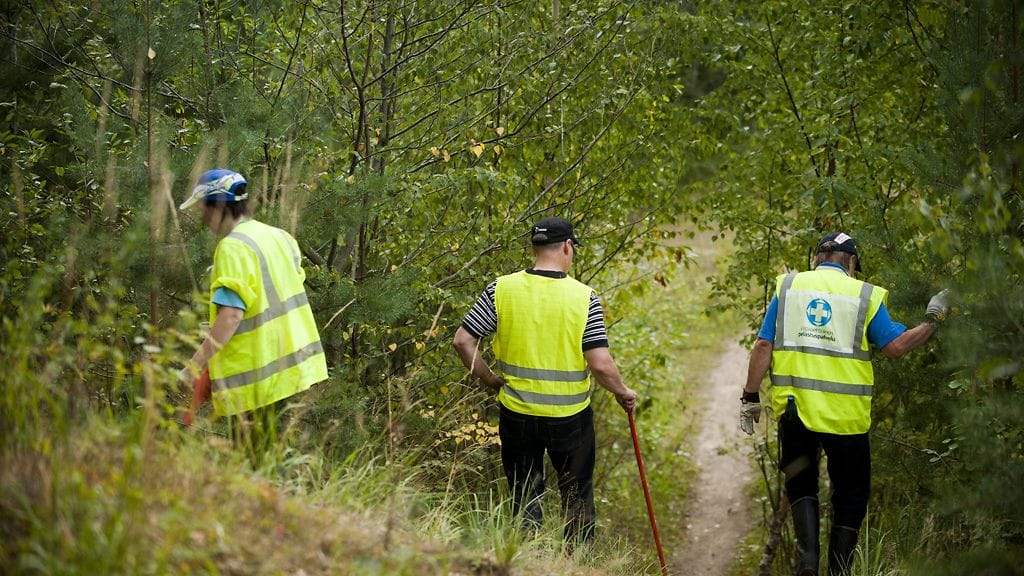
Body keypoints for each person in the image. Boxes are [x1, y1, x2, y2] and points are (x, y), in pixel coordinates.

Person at [739, 231, 949, 576]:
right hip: (846, 418)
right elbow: (896, 347)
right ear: (851, 263)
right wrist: (934, 318)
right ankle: (839, 571)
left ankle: (808, 564)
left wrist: (750, 395)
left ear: (818, 259)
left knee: (801, 484)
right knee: (850, 496)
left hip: (795, 411)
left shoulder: (790, 287)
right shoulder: (863, 294)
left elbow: (764, 346)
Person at [452, 216, 638, 545]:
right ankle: (577, 564)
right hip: (571, 420)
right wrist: (623, 392)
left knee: (525, 498)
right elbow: (600, 363)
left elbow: (462, 341)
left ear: (533, 248)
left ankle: (527, 561)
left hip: (517, 414)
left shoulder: (501, 289)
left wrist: (490, 379)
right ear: (567, 247)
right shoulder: (584, 298)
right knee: (577, 497)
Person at [179, 168, 328, 456]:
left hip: (257, 383)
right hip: (294, 372)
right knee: (281, 463)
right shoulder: (280, 237)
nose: (202, 217)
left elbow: (232, 316)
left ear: (218, 206)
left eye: (204, 209)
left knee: (253, 471)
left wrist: (196, 365)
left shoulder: (232, 248)